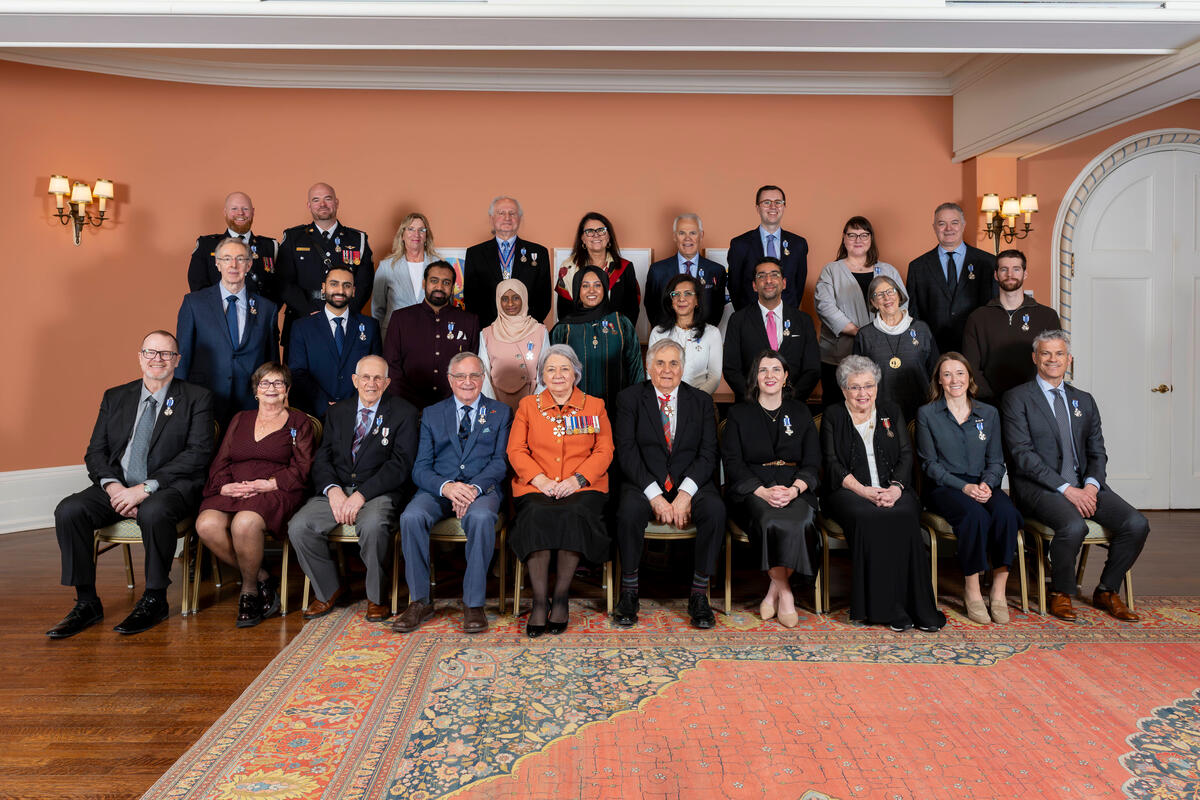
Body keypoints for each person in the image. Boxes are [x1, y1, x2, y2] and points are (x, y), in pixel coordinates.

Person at [48, 331, 215, 639]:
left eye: (166, 354)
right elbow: (95, 452)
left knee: (153, 513)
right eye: (150, 352)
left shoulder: (196, 397)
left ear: (177, 360)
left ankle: (155, 599)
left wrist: (144, 489)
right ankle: (86, 602)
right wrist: (114, 489)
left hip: (169, 487)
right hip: (118, 486)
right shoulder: (116, 396)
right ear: (140, 357)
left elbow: (198, 454)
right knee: (69, 510)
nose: (157, 359)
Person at [1001, 330, 1149, 622]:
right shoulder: (1017, 399)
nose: (1053, 360)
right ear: (1035, 358)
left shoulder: (1084, 400)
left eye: (1059, 354)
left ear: (1069, 360)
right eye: (1046, 353)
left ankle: (1106, 590)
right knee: (1073, 526)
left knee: (1136, 523)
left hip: (1086, 487)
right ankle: (1061, 592)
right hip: (1039, 489)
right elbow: (1022, 455)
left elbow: (1098, 452)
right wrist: (1067, 489)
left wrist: (1091, 487)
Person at [820, 355, 946, 632]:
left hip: (895, 490)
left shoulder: (892, 411)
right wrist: (864, 491)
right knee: (870, 518)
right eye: (855, 387)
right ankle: (885, 608)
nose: (863, 393)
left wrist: (895, 489)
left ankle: (916, 606)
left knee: (903, 516)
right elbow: (831, 463)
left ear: (877, 386)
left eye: (868, 385)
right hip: (849, 492)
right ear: (844, 390)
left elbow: (904, 455)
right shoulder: (833, 415)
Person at [288, 355, 418, 624]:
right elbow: (322, 457)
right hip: (337, 489)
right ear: (355, 381)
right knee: (299, 526)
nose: (372, 383)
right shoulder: (337, 412)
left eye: (378, 378)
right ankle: (331, 588)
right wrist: (333, 490)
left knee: (373, 526)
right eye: (366, 377)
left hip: (379, 491)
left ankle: (376, 597)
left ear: (387, 382)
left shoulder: (404, 412)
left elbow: (400, 465)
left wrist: (361, 495)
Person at [396, 353, 513, 634]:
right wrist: (447, 487)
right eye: (460, 376)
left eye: (474, 375)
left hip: (481, 490)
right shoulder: (432, 413)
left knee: (483, 518)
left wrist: (472, 488)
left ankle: (474, 603)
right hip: (439, 489)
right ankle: (420, 601)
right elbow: (420, 467)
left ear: (483, 378)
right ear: (450, 380)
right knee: (411, 517)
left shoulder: (500, 412)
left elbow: (500, 462)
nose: (467, 382)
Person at [195, 363, 316, 627]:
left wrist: (270, 483)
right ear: (256, 390)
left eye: (278, 383)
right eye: (265, 383)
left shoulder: (299, 422)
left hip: (276, 490)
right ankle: (262, 576)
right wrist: (224, 486)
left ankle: (248, 591)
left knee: (244, 523)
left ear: (287, 390)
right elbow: (221, 460)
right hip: (235, 488)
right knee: (206, 524)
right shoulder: (241, 419)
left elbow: (304, 468)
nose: (271, 388)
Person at [613, 339, 723, 629]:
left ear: (683, 368)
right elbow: (626, 451)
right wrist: (655, 497)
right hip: (644, 480)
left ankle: (699, 595)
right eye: (659, 363)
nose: (666, 370)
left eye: (673, 363)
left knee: (714, 510)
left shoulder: (700, 402)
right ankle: (629, 591)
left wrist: (685, 493)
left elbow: (708, 452)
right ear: (649, 366)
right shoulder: (629, 399)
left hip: (690, 481)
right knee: (627, 511)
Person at [507, 345, 614, 637]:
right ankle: (540, 602)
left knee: (574, 512)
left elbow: (605, 450)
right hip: (537, 486)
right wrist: (540, 480)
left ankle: (562, 597)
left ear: (576, 374)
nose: (558, 375)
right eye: (551, 369)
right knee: (537, 514)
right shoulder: (528, 406)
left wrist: (577, 480)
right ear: (542, 374)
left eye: (564, 369)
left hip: (583, 487)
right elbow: (516, 450)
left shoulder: (594, 406)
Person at [916, 353, 1023, 625]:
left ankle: (998, 590)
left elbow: (997, 460)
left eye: (960, 373)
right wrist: (965, 488)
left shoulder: (989, 413)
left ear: (969, 378)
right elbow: (930, 465)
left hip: (984, 483)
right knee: (975, 516)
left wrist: (987, 483)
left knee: (1007, 513)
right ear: (939, 380)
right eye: (948, 374)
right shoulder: (927, 413)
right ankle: (973, 589)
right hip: (946, 487)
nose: (955, 379)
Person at [720, 350, 821, 628]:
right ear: (755, 377)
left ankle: (774, 591)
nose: (770, 376)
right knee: (770, 519)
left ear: (786, 376)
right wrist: (762, 491)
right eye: (763, 370)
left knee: (801, 519)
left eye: (776, 370)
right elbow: (732, 462)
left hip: (794, 485)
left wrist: (795, 490)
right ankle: (786, 593)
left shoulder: (801, 412)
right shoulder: (739, 414)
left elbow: (813, 461)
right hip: (752, 489)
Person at [176, 237, 280, 425]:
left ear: (248, 265)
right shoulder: (194, 303)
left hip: (251, 403)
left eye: (240, 259)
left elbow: (272, 364)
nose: (233, 265)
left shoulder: (267, 309)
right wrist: (180, 400)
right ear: (217, 263)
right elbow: (182, 356)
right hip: (203, 399)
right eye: (227, 258)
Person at [814, 216, 905, 407]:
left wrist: (880, 334)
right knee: (838, 408)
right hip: (839, 355)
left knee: (880, 407)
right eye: (852, 235)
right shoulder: (831, 270)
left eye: (864, 235)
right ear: (844, 238)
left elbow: (902, 306)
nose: (858, 240)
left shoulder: (888, 270)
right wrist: (861, 333)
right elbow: (825, 306)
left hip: (883, 352)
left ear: (871, 239)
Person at [275, 182, 374, 349]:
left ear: (336, 202)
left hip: (345, 321)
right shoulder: (293, 238)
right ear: (309, 205)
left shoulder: (357, 239)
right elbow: (284, 283)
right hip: (303, 318)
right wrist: (308, 312)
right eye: (316, 200)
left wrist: (341, 313)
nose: (322, 204)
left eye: (328, 199)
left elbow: (364, 284)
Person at [961, 248, 1061, 404]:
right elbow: (970, 366)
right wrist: (991, 398)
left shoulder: (1047, 316)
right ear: (996, 275)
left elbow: (1054, 362)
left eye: (1016, 269)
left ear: (1024, 273)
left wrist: (1036, 397)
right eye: (1004, 269)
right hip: (991, 404)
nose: (1010, 275)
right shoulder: (978, 317)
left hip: (1036, 403)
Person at [383, 261, 481, 410]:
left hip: (454, 407)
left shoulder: (469, 321)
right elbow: (391, 367)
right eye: (434, 281)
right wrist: (412, 405)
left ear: (452, 287)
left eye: (446, 282)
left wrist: (451, 402)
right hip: (407, 407)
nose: (439, 287)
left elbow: (472, 367)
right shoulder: (400, 318)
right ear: (424, 283)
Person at [288, 267, 382, 418]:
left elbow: (375, 371)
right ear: (324, 288)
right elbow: (297, 372)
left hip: (357, 412)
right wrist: (324, 404)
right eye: (334, 284)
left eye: (347, 285)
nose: (340, 290)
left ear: (353, 291)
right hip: (314, 413)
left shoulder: (370, 326)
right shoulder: (302, 327)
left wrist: (352, 404)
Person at [723, 257, 819, 403]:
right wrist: (756, 398)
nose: (768, 280)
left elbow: (812, 369)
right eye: (761, 276)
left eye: (774, 275)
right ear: (754, 285)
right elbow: (731, 369)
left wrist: (789, 399)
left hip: (793, 406)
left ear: (784, 283)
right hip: (750, 406)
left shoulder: (803, 321)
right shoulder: (738, 320)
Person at [906, 202, 996, 355]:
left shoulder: (988, 262)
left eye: (954, 223)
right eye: (942, 224)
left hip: (976, 346)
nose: (948, 229)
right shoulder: (918, 266)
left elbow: (993, 306)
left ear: (963, 225)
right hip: (932, 348)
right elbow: (913, 312)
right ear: (934, 227)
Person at [550, 265, 644, 410]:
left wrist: (635, 408)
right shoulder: (563, 328)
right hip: (574, 412)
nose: (591, 291)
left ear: (605, 288)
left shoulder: (621, 323)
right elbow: (552, 374)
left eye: (597, 285)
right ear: (577, 290)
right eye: (585, 286)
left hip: (618, 410)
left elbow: (635, 369)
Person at [853, 274, 938, 423]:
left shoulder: (921, 329)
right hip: (880, 411)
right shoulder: (865, 335)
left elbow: (935, 370)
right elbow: (857, 378)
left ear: (899, 294)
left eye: (890, 291)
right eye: (879, 294)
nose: (887, 298)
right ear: (873, 302)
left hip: (921, 409)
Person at [464, 196, 551, 327]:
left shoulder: (539, 253)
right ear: (491, 219)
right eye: (501, 213)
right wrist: (493, 329)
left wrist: (523, 325)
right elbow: (472, 300)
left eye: (512, 213)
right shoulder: (475, 254)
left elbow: (543, 300)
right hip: (489, 331)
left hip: (528, 330)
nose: (507, 217)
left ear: (520, 218)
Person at [372, 212, 467, 332]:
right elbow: (377, 309)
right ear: (402, 235)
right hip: (394, 334)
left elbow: (449, 303)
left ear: (427, 235)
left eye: (421, 230)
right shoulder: (386, 267)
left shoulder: (440, 266)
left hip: (433, 333)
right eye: (410, 229)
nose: (416, 234)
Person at [187, 191, 280, 304]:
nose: (240, 213)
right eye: (234, 208)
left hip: (260, 317)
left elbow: (281, 287)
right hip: (217, 317)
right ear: (225, 212)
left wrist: (265, 314)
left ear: (253, 212)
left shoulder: (270, 246)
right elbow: (198, 285)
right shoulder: (206, 246)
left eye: (245, 209)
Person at [727, 185, 809, 310]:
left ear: (784, 206)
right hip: (750, 318)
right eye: (766, 202)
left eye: (778, 202)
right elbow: (734, 286)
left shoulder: (798, 244)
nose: (773, 207)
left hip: (787, 318)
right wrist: (745, 316)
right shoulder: (740, 244)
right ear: (757, 208)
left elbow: (798, 285)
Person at [554, 212, 641, 327]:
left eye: (601, 230)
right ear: (582, 239)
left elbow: (632, 310)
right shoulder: (568, 268)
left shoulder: (625, 267)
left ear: (609, 236)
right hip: (579, 335)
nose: (596, 235)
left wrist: (621, 335)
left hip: (615, 334)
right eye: (589, 231)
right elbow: (564, 312)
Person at [643, 214, 727, 330]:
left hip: (703, 339)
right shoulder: (657, 271)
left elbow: (718, 309)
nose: (688, 238)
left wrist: (704, 334)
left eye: (693, 233)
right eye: (682, 233)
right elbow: (651, 307)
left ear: (701, 235)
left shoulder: (716, 271)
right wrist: (666, 334)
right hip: (667, 339)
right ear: (674, 236)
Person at [479, 278, 551, 409]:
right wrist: (493, 407)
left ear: (524, 298)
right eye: (505, 298)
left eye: (516, 298)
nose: (510, 303)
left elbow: (545, 370)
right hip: (496, 402)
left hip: (532, 402)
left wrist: (535, 404)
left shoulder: (540, 331)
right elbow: (483, 372)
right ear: (498, 301)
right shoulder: (487, 333)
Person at [648, 274, 723, 394]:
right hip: (664, 400)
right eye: (675, 294)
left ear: (697, 300)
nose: (681, 299)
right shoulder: (658, 332)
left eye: (688, 294)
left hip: (699, 401)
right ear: (670, 301)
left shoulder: (712, 333)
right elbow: (651, 373)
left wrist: (694, 401)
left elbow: (714, 377)